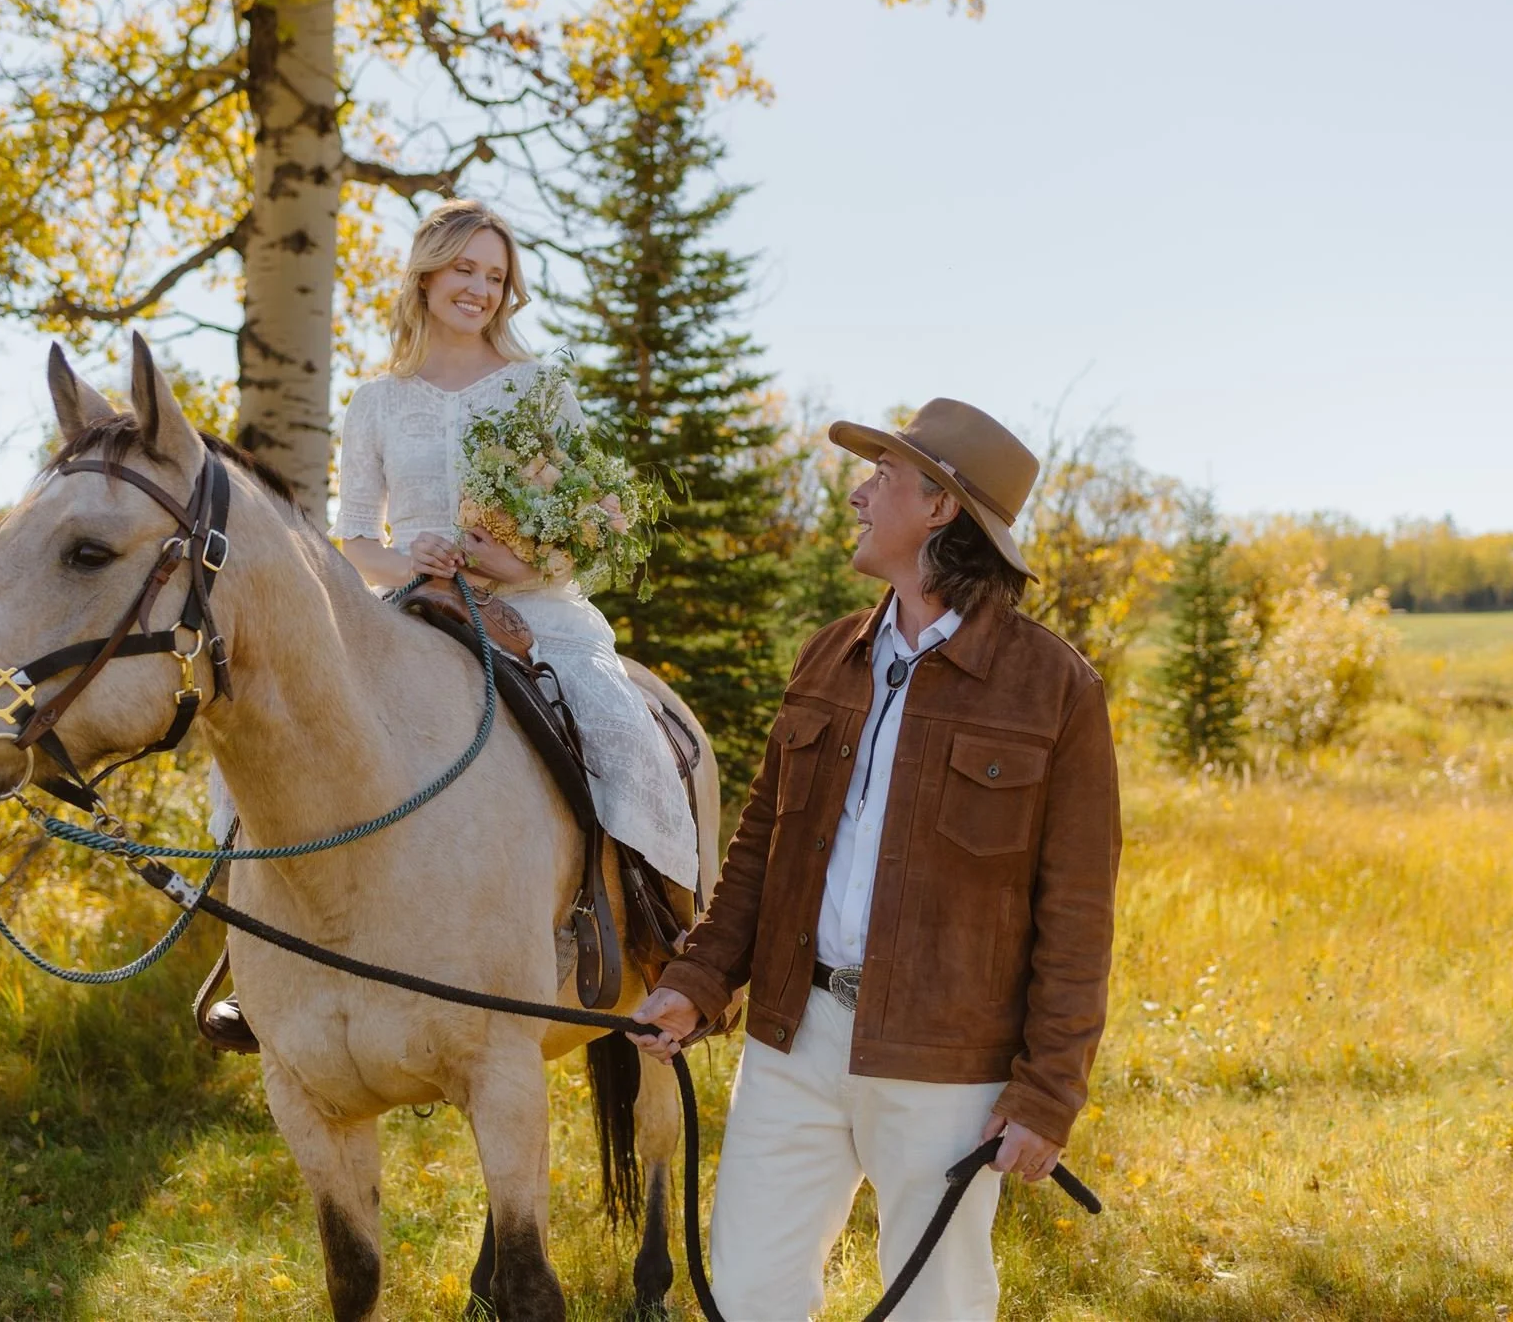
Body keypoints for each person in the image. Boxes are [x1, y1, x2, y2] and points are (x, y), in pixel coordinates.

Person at [629, 399, 1121, 1321]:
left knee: (935, 1305)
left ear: (938, 505)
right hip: (793, 1038)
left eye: (882, 477)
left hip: (947, 1064)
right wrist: (697, 980)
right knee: (747, 1294)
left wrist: (1048, 1091)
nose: (859, 493)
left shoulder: (1055, 689)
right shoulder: (830, 657)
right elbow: (760, 848)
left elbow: (1079, 915)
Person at [198, 200, 701, 1052]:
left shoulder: (537, 388)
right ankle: (258, 966)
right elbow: (354, 541)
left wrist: (514, 564)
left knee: (624, 733)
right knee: (261, 729)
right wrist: (411, 558)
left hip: (534, 612)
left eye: (495, 276)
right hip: (415, 610)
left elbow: (606, 518)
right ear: (426, 273)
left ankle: (663, 942)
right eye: (465, 269)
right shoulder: (377, 403)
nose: (479, 288)